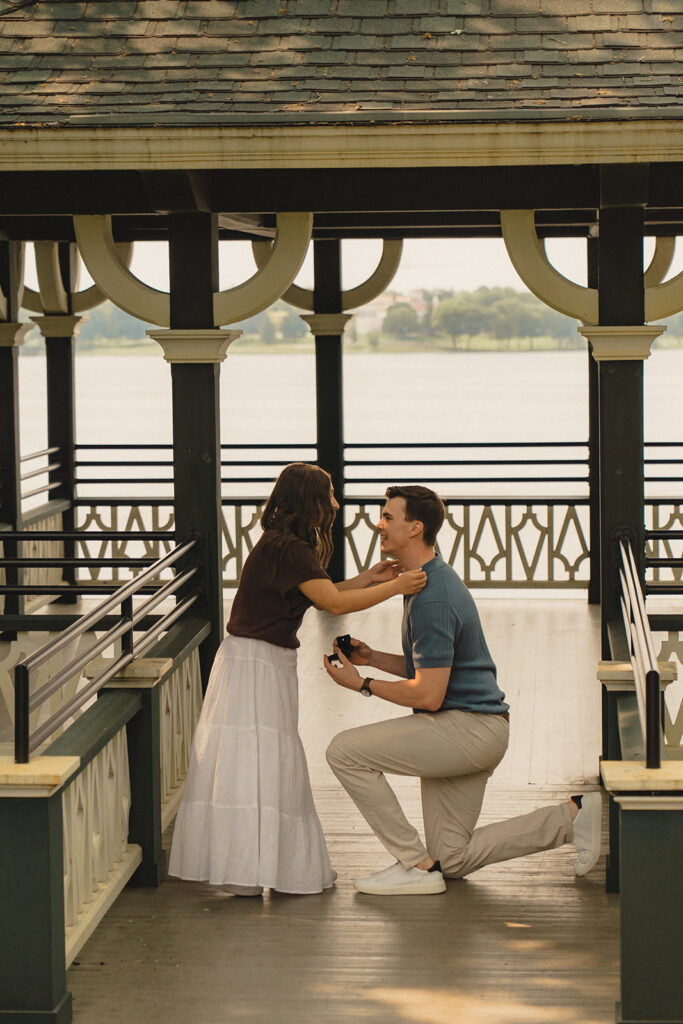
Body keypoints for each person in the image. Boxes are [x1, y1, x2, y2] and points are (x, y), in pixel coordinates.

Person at [323, 484, 601, 896]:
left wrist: (362, 684)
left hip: (468, 730)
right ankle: (571, 819)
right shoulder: (426, 580)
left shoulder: (434, 596)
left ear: (416, 528)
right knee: (451, 860)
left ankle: (413, 863)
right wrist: (374, 658)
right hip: (473, 727)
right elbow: (434, 672)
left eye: (388, 517)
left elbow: (428, 696)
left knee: (343, 752)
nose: (379, 524)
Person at [168, 463, 426, 897]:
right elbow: (330, 604)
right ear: (310, 500)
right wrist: (397, 587)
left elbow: (319, 594)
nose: (335, 504)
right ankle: (262, 867)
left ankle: (250, 870)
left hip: (257, 659)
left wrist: (369, 579)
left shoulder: (284, 545)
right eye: (328, 495)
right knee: (264, 755)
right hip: (257, 661)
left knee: (257, 757)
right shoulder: (289, 548)